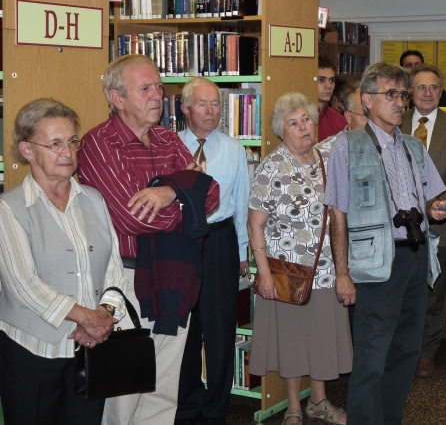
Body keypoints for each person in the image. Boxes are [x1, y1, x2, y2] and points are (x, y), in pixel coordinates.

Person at [78, 54, 220, 425]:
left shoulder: (168, 138)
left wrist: (167, 192)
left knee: (163, 390)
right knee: (123, 392)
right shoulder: (99, 143)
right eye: (145, 89)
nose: (158, 95)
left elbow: (212, 195)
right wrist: (185, 198)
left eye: (158, 86)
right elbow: (131, 217)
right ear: (117, 97)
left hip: (175, 275)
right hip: (126, 280)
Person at [325, 61, 446, 425]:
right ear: (367, 100)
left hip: (415, 256)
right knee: (371, 356)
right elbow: (338, 213)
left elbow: (430, 196)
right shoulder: (347, 147)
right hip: (375, 263)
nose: (399, 102)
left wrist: (434, 208)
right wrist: (342, 274)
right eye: (391, 94)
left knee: (406, 351)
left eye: (403, 95)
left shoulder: (414, 146)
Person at [0, 98, 127, 425]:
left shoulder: (93, 199)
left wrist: (105, 316)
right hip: (31, 352)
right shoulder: (9, 208)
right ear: (27, 150)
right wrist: (88, 318)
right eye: (55, 143)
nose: (67, 152)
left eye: (72, 141)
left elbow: (114, 269)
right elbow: (23, 285)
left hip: (89, 348)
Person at [248, 92, 352, 425]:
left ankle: (318, 402)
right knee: (292, 341)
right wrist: (264, 273)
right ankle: (294, 406)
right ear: (282, 131)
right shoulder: (272, 166)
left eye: (305, 119)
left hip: (326, 271)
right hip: (287, 272)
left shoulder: (326, 157)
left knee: (321, 338)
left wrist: (343, 270)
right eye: (293, 123)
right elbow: (254, 224)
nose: (302, 127)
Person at [176, 78, 251, 425]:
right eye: (202, 104)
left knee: (220, 332)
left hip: (220, 241)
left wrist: (241, 253)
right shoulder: (170, 147)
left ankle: (216, 411)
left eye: (216, 104)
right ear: (184, 108)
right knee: (184, 331)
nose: (211, 111)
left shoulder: (234, 150)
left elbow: (241, 204)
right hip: (180, 242)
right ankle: (187, 407)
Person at [401, 64, 446, 379]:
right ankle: (403, 347)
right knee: (403, 288)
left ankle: (427, 351)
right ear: (410, 92)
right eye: (421, 87)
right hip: (400, 222)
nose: (427, 93)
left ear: (441, 92)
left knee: (436, 290)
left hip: (441, 221)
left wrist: (437, 204)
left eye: (433, 87)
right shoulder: (395, 121)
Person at [318, 56, 347, 140]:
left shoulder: (341, 121)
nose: (329, 86)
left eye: (331, 80)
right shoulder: (301, 119)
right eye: (321, 80)